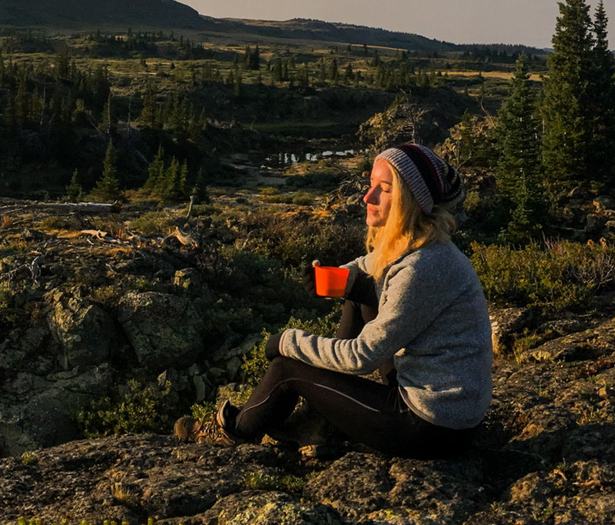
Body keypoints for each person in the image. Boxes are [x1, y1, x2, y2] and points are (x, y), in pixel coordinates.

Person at [196, 143, 492, 459]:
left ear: (412, 201)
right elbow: (368, 269)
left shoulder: (423, 267)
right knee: (361, 287)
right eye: (371, 185)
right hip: (448, 412)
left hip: (430, 426)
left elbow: (362, 356)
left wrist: (288, 342)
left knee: (286, 369)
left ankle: (233, 432)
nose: (368, 197)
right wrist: (335, 278)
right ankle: (320, 421)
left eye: (385, 189)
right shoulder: (417, 245)